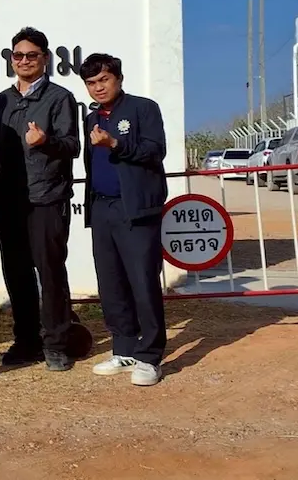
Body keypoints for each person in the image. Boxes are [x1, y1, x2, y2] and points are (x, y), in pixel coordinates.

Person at [0, 27, 81, 371]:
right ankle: (26, 341)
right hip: (8, 200)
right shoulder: (2, 100)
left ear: (45, 58)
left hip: (46, 198)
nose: (24, 61)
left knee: (51, 272)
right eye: (18, 55)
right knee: (17, 274)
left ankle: (57, 344)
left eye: (32, 55)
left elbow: (72, 145)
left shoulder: (60, 98)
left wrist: (45, 141)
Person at [80, 53, 169, 387]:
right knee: (111, 283)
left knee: (143, 282)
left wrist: (115, 143)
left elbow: (155, 151)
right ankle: (124, 348)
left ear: (118, 78)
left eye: (104, 79)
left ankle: (150, 355)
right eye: (91, 83)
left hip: (135, 208)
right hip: (102, 208)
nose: (98, 87)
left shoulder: (143, 108)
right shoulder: (92, 118)